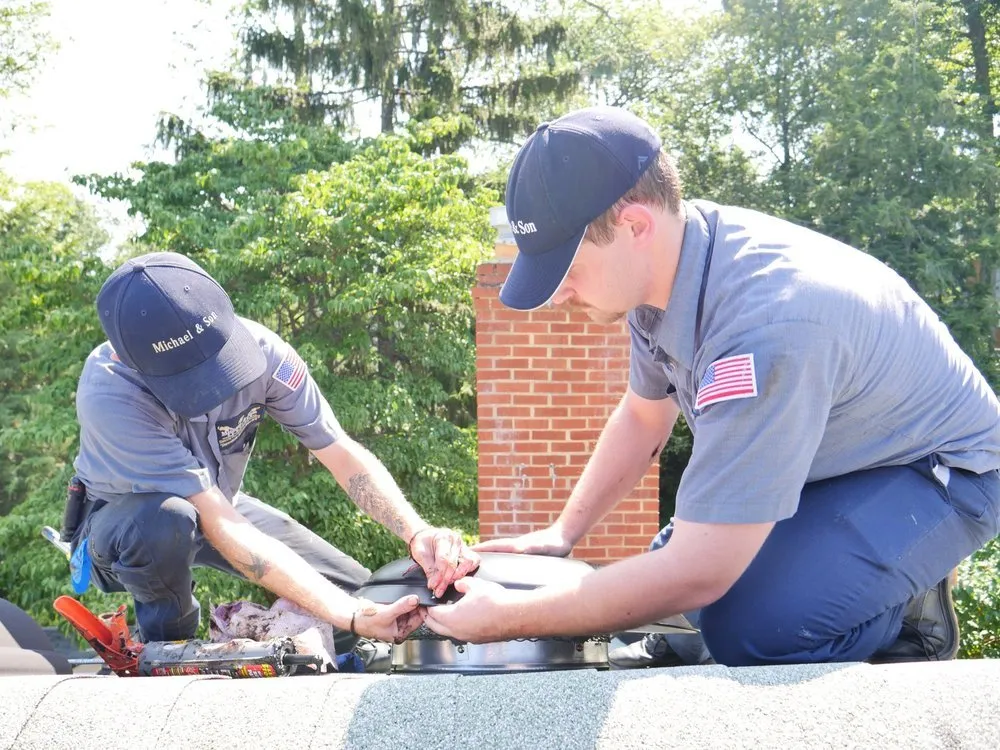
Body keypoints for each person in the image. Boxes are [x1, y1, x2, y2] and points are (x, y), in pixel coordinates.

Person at [424, 106, 1000, 667]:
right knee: (675, 608)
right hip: (830, 460)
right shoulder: (661, 272)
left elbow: (700, 570)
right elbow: (644, 419)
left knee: (751, 629)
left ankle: (908, 606)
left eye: (567, 269)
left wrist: (513, 618)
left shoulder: (765, 327)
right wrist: (561, 533)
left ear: (635, 225)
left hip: (940, 473)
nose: (557, 294)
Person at [70, 251, 478, 657]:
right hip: (127, 523)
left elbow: (340, 452)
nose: (212, 389)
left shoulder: (264, 350)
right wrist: (349, 613)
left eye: (217, 364)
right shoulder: (110, 393)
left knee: (363, 594)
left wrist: (416, 532)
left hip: (221, 503)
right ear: (125, 356)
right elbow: (215, 522)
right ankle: (164, 649)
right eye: (187, 377)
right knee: (165, 520)